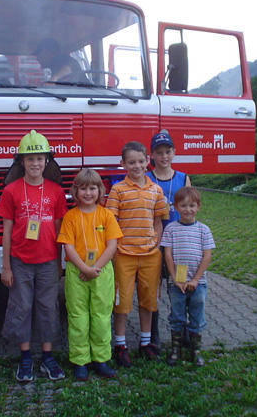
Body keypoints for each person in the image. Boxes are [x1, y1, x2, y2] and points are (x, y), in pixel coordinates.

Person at [0, 130, 68, 382]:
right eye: (30, 159)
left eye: (40, 158)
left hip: (48, 261)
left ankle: (47, 356)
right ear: (21, 162)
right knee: (21, 307)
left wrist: (59, 263)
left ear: (47, 161)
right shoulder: (11, 191)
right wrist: (6, 266)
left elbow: (60, 230)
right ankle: (25, 357)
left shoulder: (56, 191)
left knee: (48, 307)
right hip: (20, 261)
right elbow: (6, 232)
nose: (35, 163)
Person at [106, 141, 169, 367]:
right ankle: (120, 345)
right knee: (121, 302)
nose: (137, 166)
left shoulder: (156, 190)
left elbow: (159, 221)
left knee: (148, 300)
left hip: (150, 255)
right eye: (131, 162)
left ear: (147, 162)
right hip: (124, 254)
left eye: (141, 161)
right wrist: (117, 247)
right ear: (123, 164)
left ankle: (145, 342)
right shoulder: (118, 190)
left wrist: (156, 244)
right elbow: (111, 221)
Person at [57, 168, 123, 380]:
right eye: (83, 188)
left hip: (102, 272)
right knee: (78, 316)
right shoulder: (70, 216)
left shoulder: (106, 215)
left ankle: (101, 359)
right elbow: (68, 246)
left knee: (101, 316)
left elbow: (112, 245)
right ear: (75, 191)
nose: (88, 193)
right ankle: (80, 360)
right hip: (77, 273)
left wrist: (96, 269)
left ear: (100, 190)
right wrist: (84, 269)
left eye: (92, 188)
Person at [146, 129, 191, 350]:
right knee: (154, 288)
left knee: (179, 285)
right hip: (154, 244)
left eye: (168, 151)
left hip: (179, 246)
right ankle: (153, 335)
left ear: (174, 152)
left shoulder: (183, 178)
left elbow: (190, 209)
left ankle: (181, 332)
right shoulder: (146, 179)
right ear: (152, 155)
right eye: (159, 152)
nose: (164, 156)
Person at [161, 187, 215, 366]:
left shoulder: (203, 230)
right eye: (183, 205)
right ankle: (175, 348)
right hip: (176, 283)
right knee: (177, 315)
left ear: (198, 207)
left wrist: (195, 279)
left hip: (198, 283)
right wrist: (175, 278)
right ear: (176, 207)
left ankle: (195, 350)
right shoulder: (170, 229)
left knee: (197, 315)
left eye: (192, 205)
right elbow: (167, 254)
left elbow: (207, 255)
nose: (188, 209)